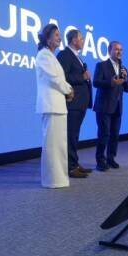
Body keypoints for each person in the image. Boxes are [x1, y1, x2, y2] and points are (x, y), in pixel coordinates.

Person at [35, 24, 73, 188]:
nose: (59, 38)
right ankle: (52, 180)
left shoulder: (51, 56)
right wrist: (69, 89)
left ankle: (59, 179)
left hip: (58, 106)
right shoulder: (43, 55)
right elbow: (53, 79)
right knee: (52, 146)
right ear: (48, 37)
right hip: (51, 106)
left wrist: (67, 90)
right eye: (56, 35)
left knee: (58, 145)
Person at [57, 28, 92, 179]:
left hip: (81, 103)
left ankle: (75, 163)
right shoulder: (65, 54)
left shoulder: (77, 56)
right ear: (73, 40)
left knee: (75, 135)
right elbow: (63, 77)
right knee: (71, 135)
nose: (83, 41)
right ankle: (71, 168)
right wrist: (82, 77)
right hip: (73, 103)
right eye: (81, 38)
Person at [93, 40, 128, 171]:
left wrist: (125, 79)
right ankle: (100, 161)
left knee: (115, 134)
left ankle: (111, 158)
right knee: (104, 134)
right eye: (116, 49)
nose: (119, 52)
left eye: (121, 50)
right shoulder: (101, 65)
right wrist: (111, 82)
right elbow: (96, 82)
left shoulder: (123, 68)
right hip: (104, 106)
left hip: (118, 106)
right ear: (110, 51)